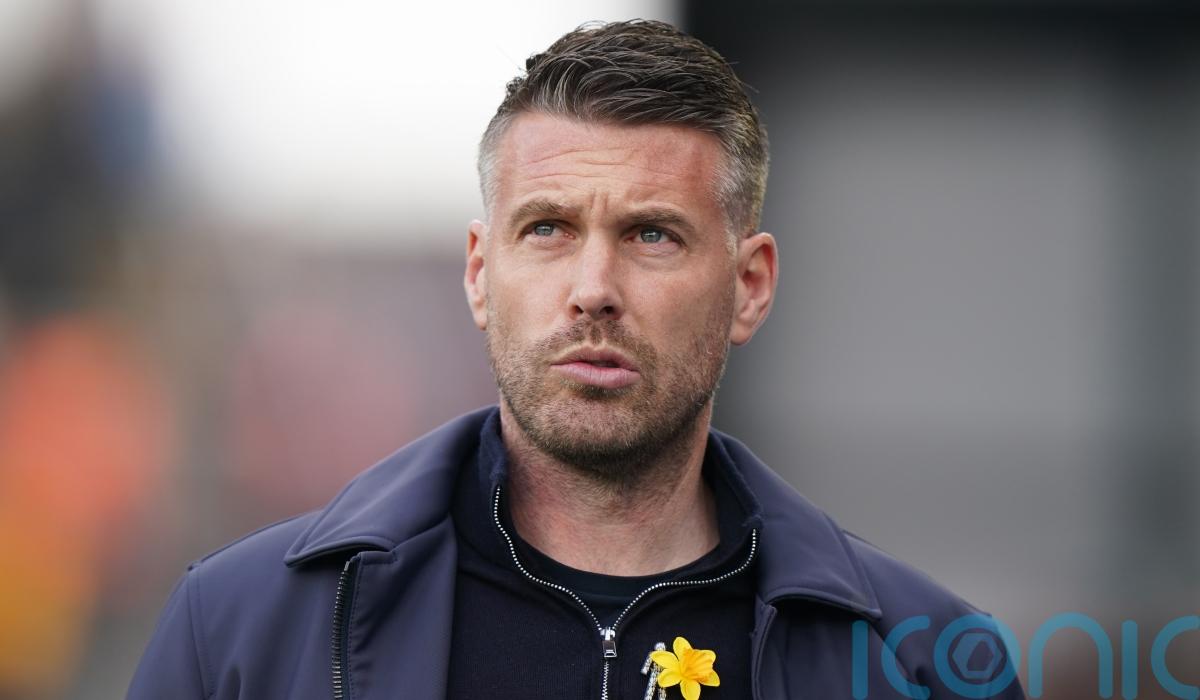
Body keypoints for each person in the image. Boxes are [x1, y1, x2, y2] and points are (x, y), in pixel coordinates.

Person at [129, 19, 1025, 700]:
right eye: (549, 229)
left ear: (748, 287)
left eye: (652, 234)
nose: (593, 289)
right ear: (481, 274)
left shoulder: (926, 661)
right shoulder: (241, 630)